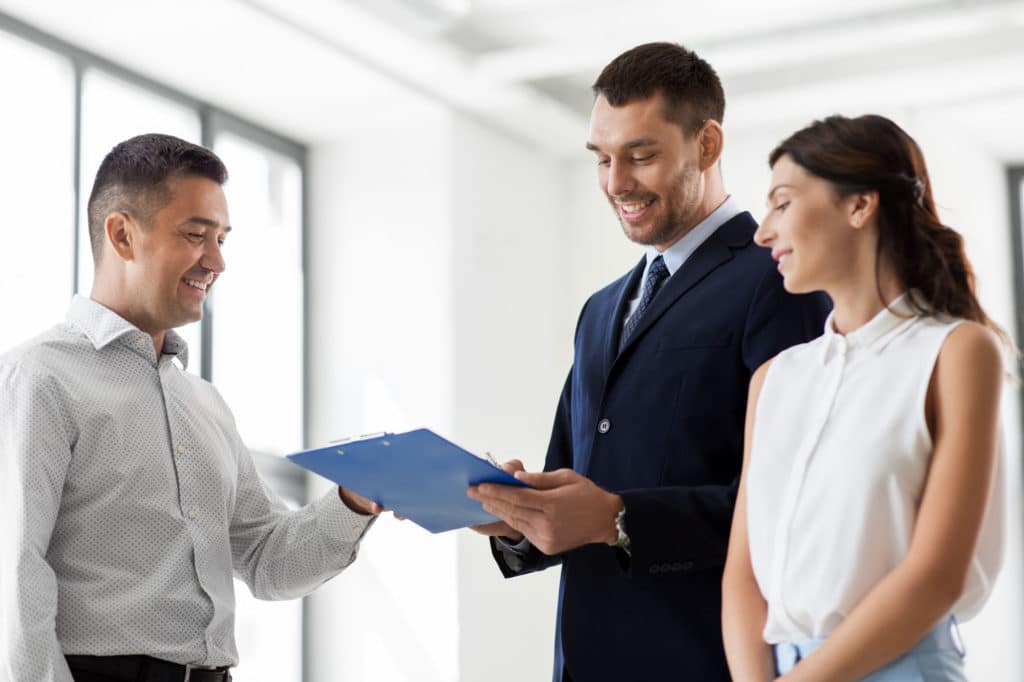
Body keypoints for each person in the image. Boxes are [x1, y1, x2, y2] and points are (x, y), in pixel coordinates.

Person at [467, 42, 831, 682]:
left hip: (709, 661)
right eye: (602, 159)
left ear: (708, 145)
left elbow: (800, 506)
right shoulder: (599, 312)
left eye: (640, 156)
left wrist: (618, 519)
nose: (615, 183)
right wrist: (518, 516)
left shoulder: (779, 282)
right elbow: (571, 485)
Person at [0, 134, 382, 682]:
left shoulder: (204, 404)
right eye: (195, 235)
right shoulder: (38, 378)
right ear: (123, 234)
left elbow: (270, 561)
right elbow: (12, 586)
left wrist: (354, 500)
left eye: (222, 238)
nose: (217, 261)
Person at [721, 114, 1006, 681]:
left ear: (860, 206)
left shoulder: (957, 352)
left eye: (782, 203)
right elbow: (743, 575)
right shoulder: (773, 380)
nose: (762, 233)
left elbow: (935, 576)